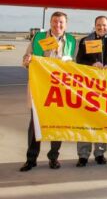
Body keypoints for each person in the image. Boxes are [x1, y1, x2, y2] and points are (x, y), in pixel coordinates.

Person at [19, 11, 76, 172]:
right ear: (50, 23)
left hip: (60, 89)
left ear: (66, 25)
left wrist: (71, 63)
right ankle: (31, 159)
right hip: (40, 87)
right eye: (55, 21)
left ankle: (53, 157)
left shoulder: (72, 41)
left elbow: (77, 65)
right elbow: (27, 56)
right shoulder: (38, 37)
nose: (58, 25)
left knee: (57, 123)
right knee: (35, 123)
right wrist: (27, 60)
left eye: (61, 22)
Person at [75, 15, 107, 167]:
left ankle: (100, 153)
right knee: (86, 121)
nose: (101, 27)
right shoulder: (85, 41)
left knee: (103, 121)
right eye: (99, 24)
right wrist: (92, 64)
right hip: (89, 87)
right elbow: (79, 61)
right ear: (95, 25)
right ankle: (83, 155)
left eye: (104, 25)